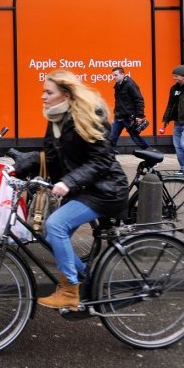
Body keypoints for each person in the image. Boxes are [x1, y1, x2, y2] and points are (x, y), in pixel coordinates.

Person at [11, 70, 129, 310]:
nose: (43, 96)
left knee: (56, 225)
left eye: (48, 92)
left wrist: (69, 182)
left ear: (65, 94)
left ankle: (69, 291)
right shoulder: (55, 119)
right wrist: (17, 166)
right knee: (51, 234)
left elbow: (101, 161)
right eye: (44, 91)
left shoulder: (88, 114)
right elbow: (51, 158)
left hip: (105, 189)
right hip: (84, 188)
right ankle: (86, 277)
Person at [108, 67, 150, 151]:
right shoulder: (118, 85)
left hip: (128, 117)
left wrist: (139, 116)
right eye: (113, 75)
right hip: (119, 117)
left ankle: (153, 156)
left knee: (136, 138)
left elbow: (139, 100)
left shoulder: (130, 84)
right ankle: (109, 159)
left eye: (116, 75)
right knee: (112, 138)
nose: (114, 77)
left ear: (122, 74)